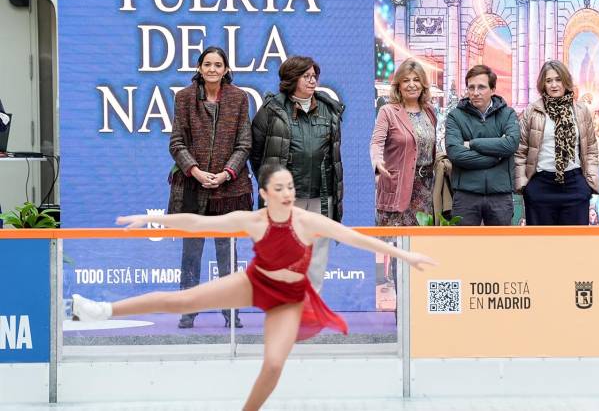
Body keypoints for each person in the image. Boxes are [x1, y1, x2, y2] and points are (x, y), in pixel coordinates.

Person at [72, 164, 436, 411]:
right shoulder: (251, 220)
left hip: (289, 300)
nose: (287, 193)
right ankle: (101, 310)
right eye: (279, 188)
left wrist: (405, 256)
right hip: (255, 282)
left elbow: (356, 239)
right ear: (264, 193)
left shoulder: (307, 221)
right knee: (180, 299)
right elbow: (196, 223)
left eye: (290, 187)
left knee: (274, 364)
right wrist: (153, 219)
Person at [168, 46, 253, 328]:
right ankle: (187, 310)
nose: (213, 69)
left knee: (227, 253)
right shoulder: (183, 99)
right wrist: (195, 171)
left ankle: (231, 311)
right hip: (193, 187)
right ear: (200, 68)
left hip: (229, 189)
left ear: (226, 69)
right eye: (208, 64)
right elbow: (176, 143)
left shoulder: (240, 99)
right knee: (191, 252)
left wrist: (226, 173)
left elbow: (245, 144)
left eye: (218, 65)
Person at [250, 56, 344, 293]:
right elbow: (256, 152)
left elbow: (333, 155)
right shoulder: (271, 110)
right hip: (286, 200)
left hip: (321, 197)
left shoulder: (328, 109)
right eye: (307, 76)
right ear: (292, 80)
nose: (313, 81)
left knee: (317, 257)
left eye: (315, 76)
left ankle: (310, 309)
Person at [515, 60, 599, 225]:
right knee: (541, 248)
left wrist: (587, 186)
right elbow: (521, 151)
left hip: (575, 185)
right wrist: (526, 187)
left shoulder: (581, 111)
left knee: (574, 247)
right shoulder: (532, 111)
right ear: (543, 84)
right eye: (548, 80)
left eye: (558, 79)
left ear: (566, 81)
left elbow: (590, 150)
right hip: (540, 186)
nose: (554, 85)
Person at [445, 65, 519, 225]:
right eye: (471, 87)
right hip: (465, 195)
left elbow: (511, 144)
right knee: (463, 249)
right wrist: (495, 157)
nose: (475, 92)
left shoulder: (508, 114)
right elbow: (455, 154)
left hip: (500, 195)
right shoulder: (455, 116)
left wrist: (472, 144)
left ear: (493, 89)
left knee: (500, 248)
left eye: (481, 87)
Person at [370, 59, 437, 227]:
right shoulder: (388, 111)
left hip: (425, 188)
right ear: (398, 85)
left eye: (416, 80)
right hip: (397, 186)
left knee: (419, 244)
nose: (411, 85)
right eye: (406, 80)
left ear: (423, 85)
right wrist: (377, 161)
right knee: (393, 245)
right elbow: (377, 142)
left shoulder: (429, 111)